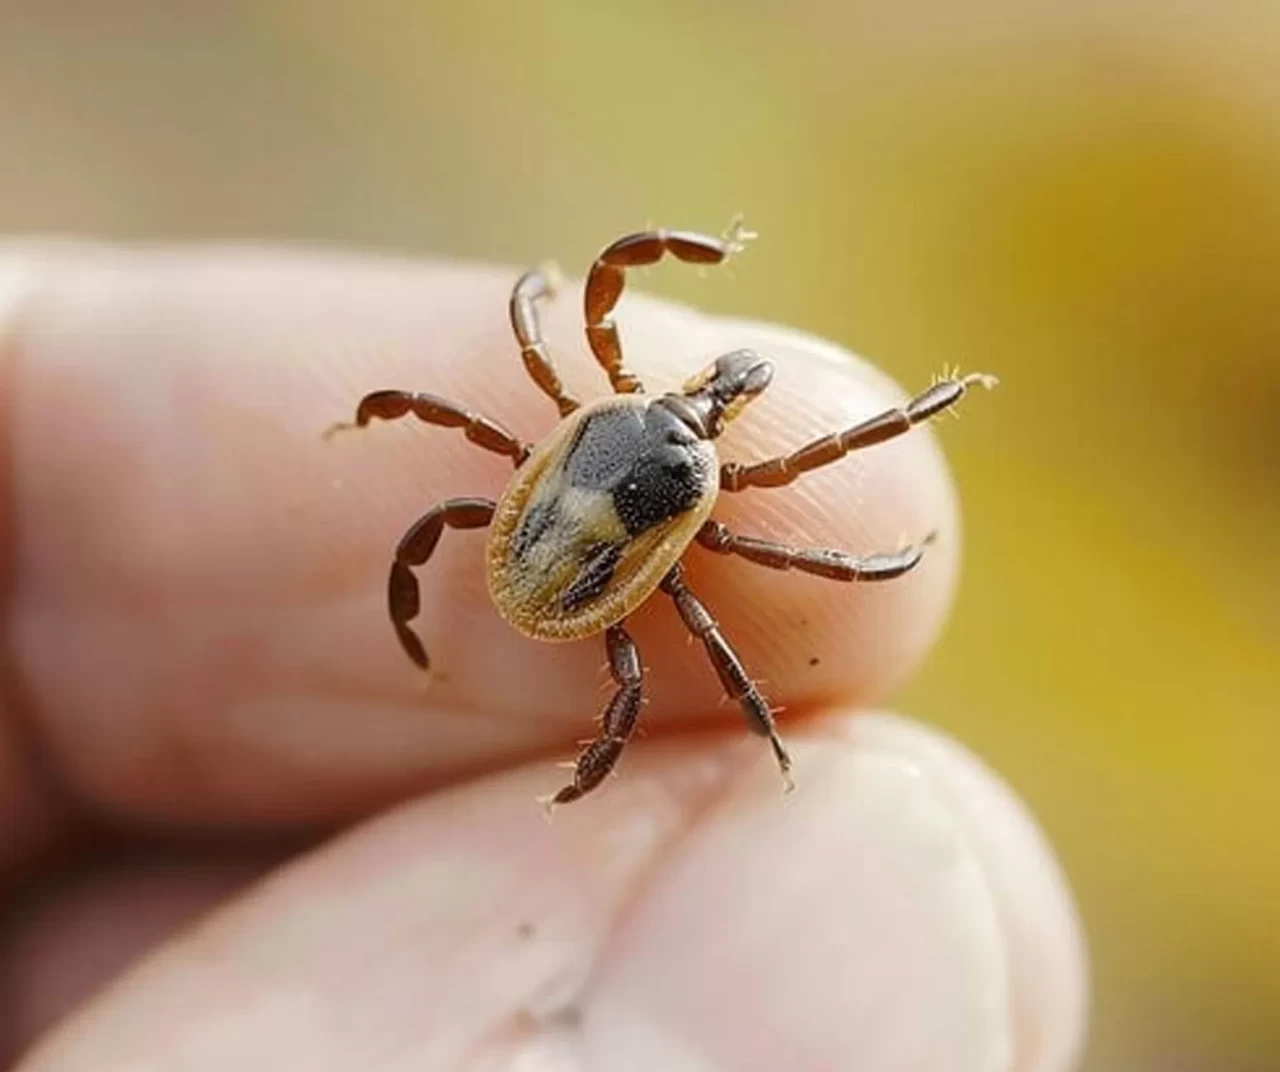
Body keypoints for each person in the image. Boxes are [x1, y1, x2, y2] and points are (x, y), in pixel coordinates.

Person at [0, 245, 1086, 1071]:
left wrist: (539, 302)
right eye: (706, 401)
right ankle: (606, 775)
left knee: (464, 532)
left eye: (711, 403)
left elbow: (560, 300)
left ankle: (520, 730)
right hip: (577, 590)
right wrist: (868, 559)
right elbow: (811, 495)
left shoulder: (600, 408)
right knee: (666, 657)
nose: (714, 400)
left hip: (533, 563)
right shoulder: (704, 494)